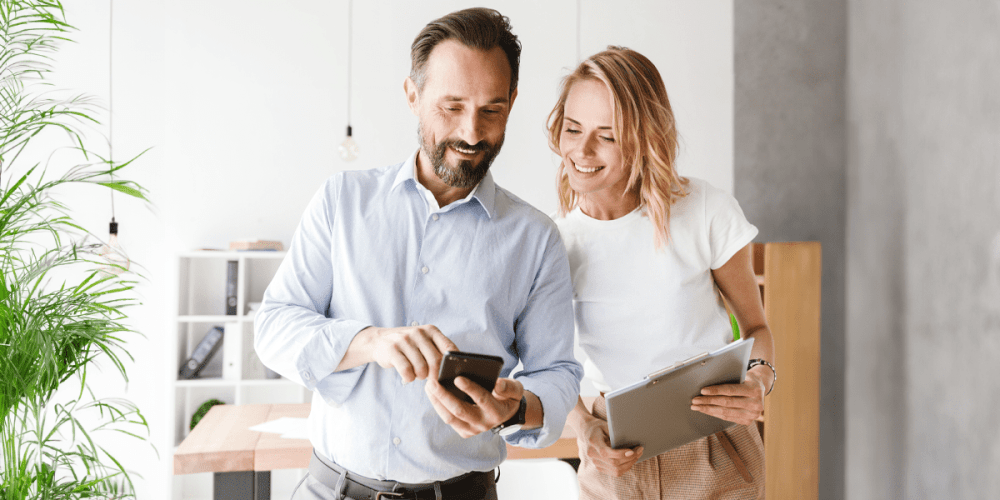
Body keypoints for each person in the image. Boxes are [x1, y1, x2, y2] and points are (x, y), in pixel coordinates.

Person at [254, 8, 583, 500]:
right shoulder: (342, 200)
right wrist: (369, 342)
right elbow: (273, 326)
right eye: (452, 107)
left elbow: (558, 374)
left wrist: (516, 409)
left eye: (491, 110)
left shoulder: (536, 239)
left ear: (512, 102)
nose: (472, 134)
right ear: (413, 95)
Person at [550, 47, 776, 499]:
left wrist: (758, 380)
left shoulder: (704, 210)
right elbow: (547, 365)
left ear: (641, 136)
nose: (581, 149)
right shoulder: (553, 244)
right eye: (573, 129)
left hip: (714, 445)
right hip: (615, 452)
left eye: (607, 136)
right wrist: (584, 427)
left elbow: (755, 327)